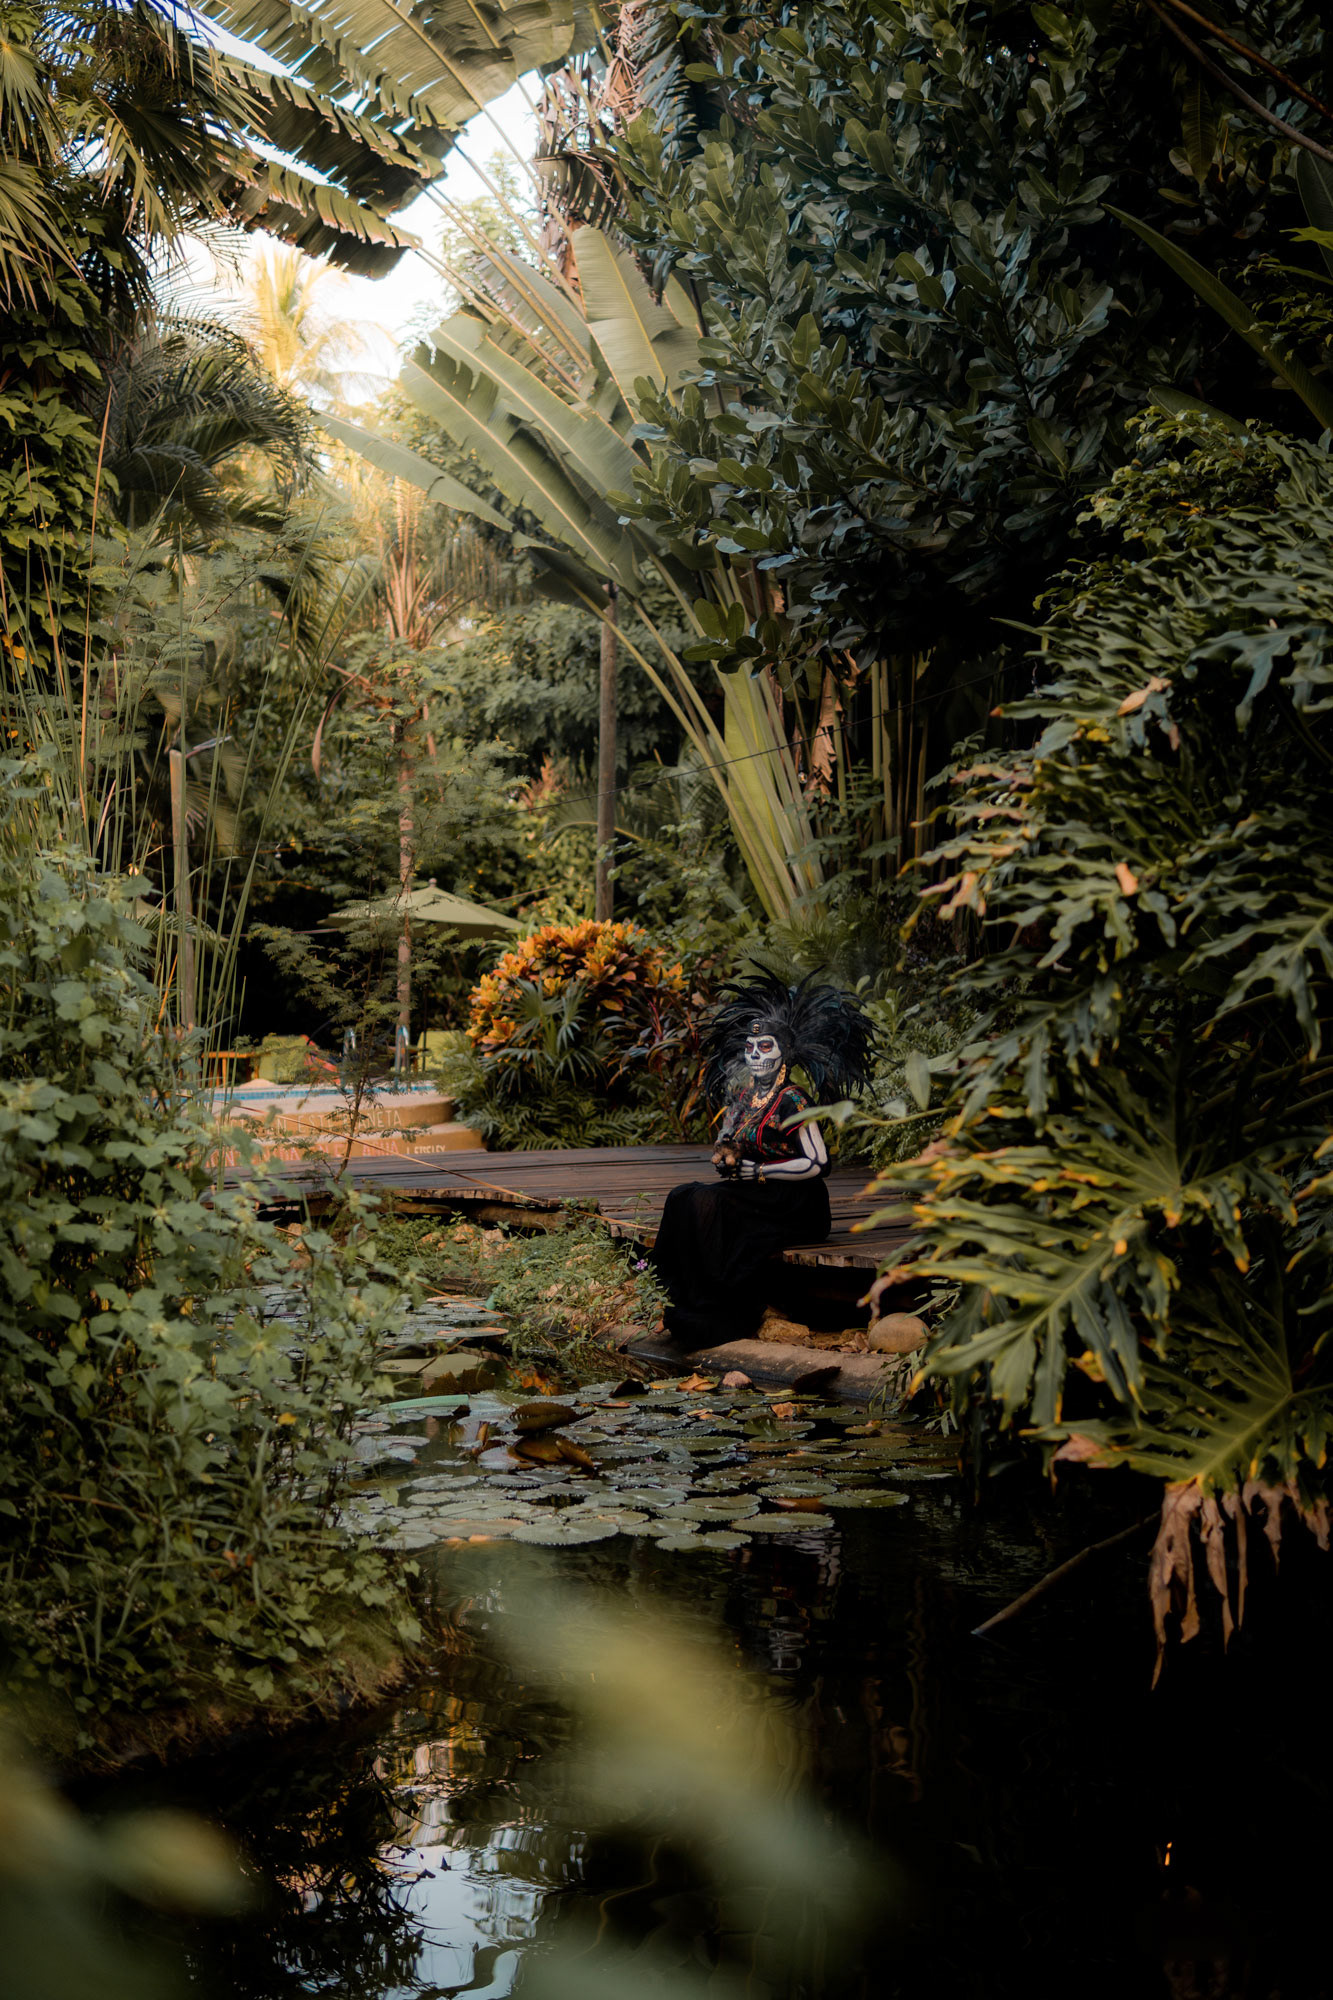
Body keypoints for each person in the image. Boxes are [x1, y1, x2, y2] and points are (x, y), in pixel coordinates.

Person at [651, 973, 875, 1348]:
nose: (755, 1056)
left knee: (711, 1202)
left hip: (795, 1201)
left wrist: (760, 1169)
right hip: (755, 1193)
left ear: (783, 1053)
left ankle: (718, 1306)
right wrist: (725, 1158)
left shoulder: (794, 1099)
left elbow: (819, 1163)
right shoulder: (744, 1097)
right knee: (681, 1196)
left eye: (765, 1047)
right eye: (750, 1048)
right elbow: (727, 1141)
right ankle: (681, 1296)